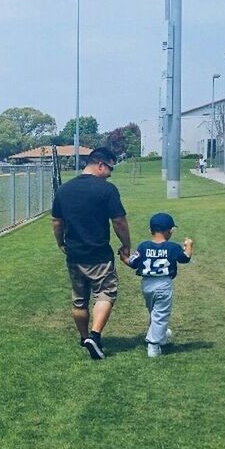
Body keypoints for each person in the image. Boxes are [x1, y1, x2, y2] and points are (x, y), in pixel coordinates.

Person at [51, 147, 131, 360]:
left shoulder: (63, 190)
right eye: (110, 168)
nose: (111, 174)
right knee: (106, 292)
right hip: (99, 255)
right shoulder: (107, 190)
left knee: (79, 300)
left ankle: (84, 337)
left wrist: (61, 243)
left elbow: (56, 222)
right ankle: (94, 337)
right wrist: (126, 245)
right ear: (100, 165)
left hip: (74, 255)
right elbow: (119, 221)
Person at [122, 212, 193, 358]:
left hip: (147, 284)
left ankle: (160, 333)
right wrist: (188, 245)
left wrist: (124, 258)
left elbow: (133, 263)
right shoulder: (172, 247)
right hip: (163, 284)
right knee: (161, 313)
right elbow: (185, 258)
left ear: (150, 230)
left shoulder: (143, 246)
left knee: (154, 311)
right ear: (170, 231)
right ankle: (153, 345)